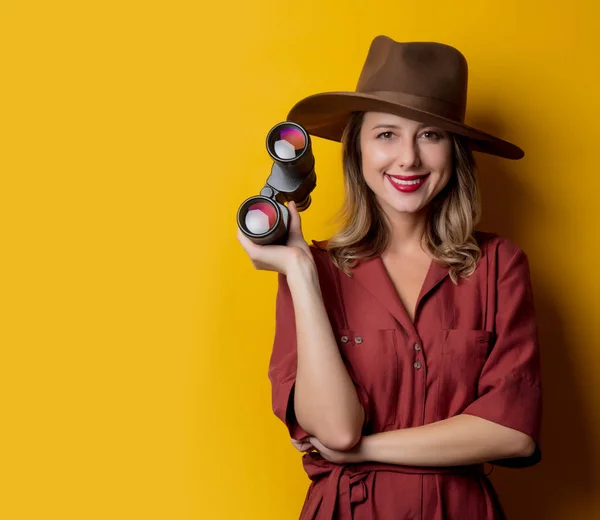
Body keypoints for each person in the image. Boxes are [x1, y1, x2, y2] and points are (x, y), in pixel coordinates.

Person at [237, 35, 542, 520]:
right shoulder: (312, 270)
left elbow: (511, 432)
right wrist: (298, 268)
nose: (409, 159)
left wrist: (365, 450)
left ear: (455, 152)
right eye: (386, 134)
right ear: (356, 149)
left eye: (430, 135)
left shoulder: (499, 265)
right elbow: (335, 429)